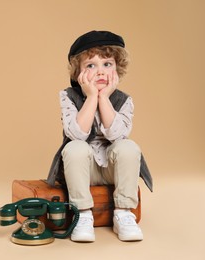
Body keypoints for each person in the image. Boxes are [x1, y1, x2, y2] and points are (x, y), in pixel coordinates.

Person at [47, 30, 153, 242]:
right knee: (75, 147)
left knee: (128, 146)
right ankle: (83, 214)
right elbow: (76, 134)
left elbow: (117, 134)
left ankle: (123, 213)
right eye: (90, 66)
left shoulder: (124, 100)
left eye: (107, 64)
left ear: (117, 68)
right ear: (78, 73)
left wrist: (104, 97)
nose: (100, 72)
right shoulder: (68, 96)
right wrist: (91, 96)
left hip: (111, 170)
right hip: (82, 171)